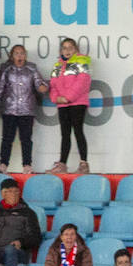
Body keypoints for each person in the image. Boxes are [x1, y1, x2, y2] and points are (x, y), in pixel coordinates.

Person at [0, 44, 48, 173]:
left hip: (27, 110)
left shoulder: (32, 69)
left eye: (22, 53)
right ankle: (3, 165)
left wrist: (43, 87)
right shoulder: (7, 70)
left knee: (26, 139)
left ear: (25, 55)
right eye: (16, 53)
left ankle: (27, 165)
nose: (19, 56)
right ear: (12, 56)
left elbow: (39, 83)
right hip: (10, 109)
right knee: (7, 139)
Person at [47, 38, 91, 174]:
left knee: (78, 131)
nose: (67, 51)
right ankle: (62, 164)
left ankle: (83, 163)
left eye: (70, 48)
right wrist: (56, 98)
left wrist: (68, 97)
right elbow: (53, 85)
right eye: (64, 48)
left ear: (76, 49)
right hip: (62, 105)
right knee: (65, 134)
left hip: (77, 103)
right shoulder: (57, 66)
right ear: (61, 51)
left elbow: (82, 82)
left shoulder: (82, 62)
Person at [0, 178, 40, 266]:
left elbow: (36, 237)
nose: (14, 194)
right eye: (10, 191)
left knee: (10, 250)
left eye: (16, 191)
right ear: (3, 194)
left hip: (19, 251)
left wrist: (21, 242)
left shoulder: (28, 213)